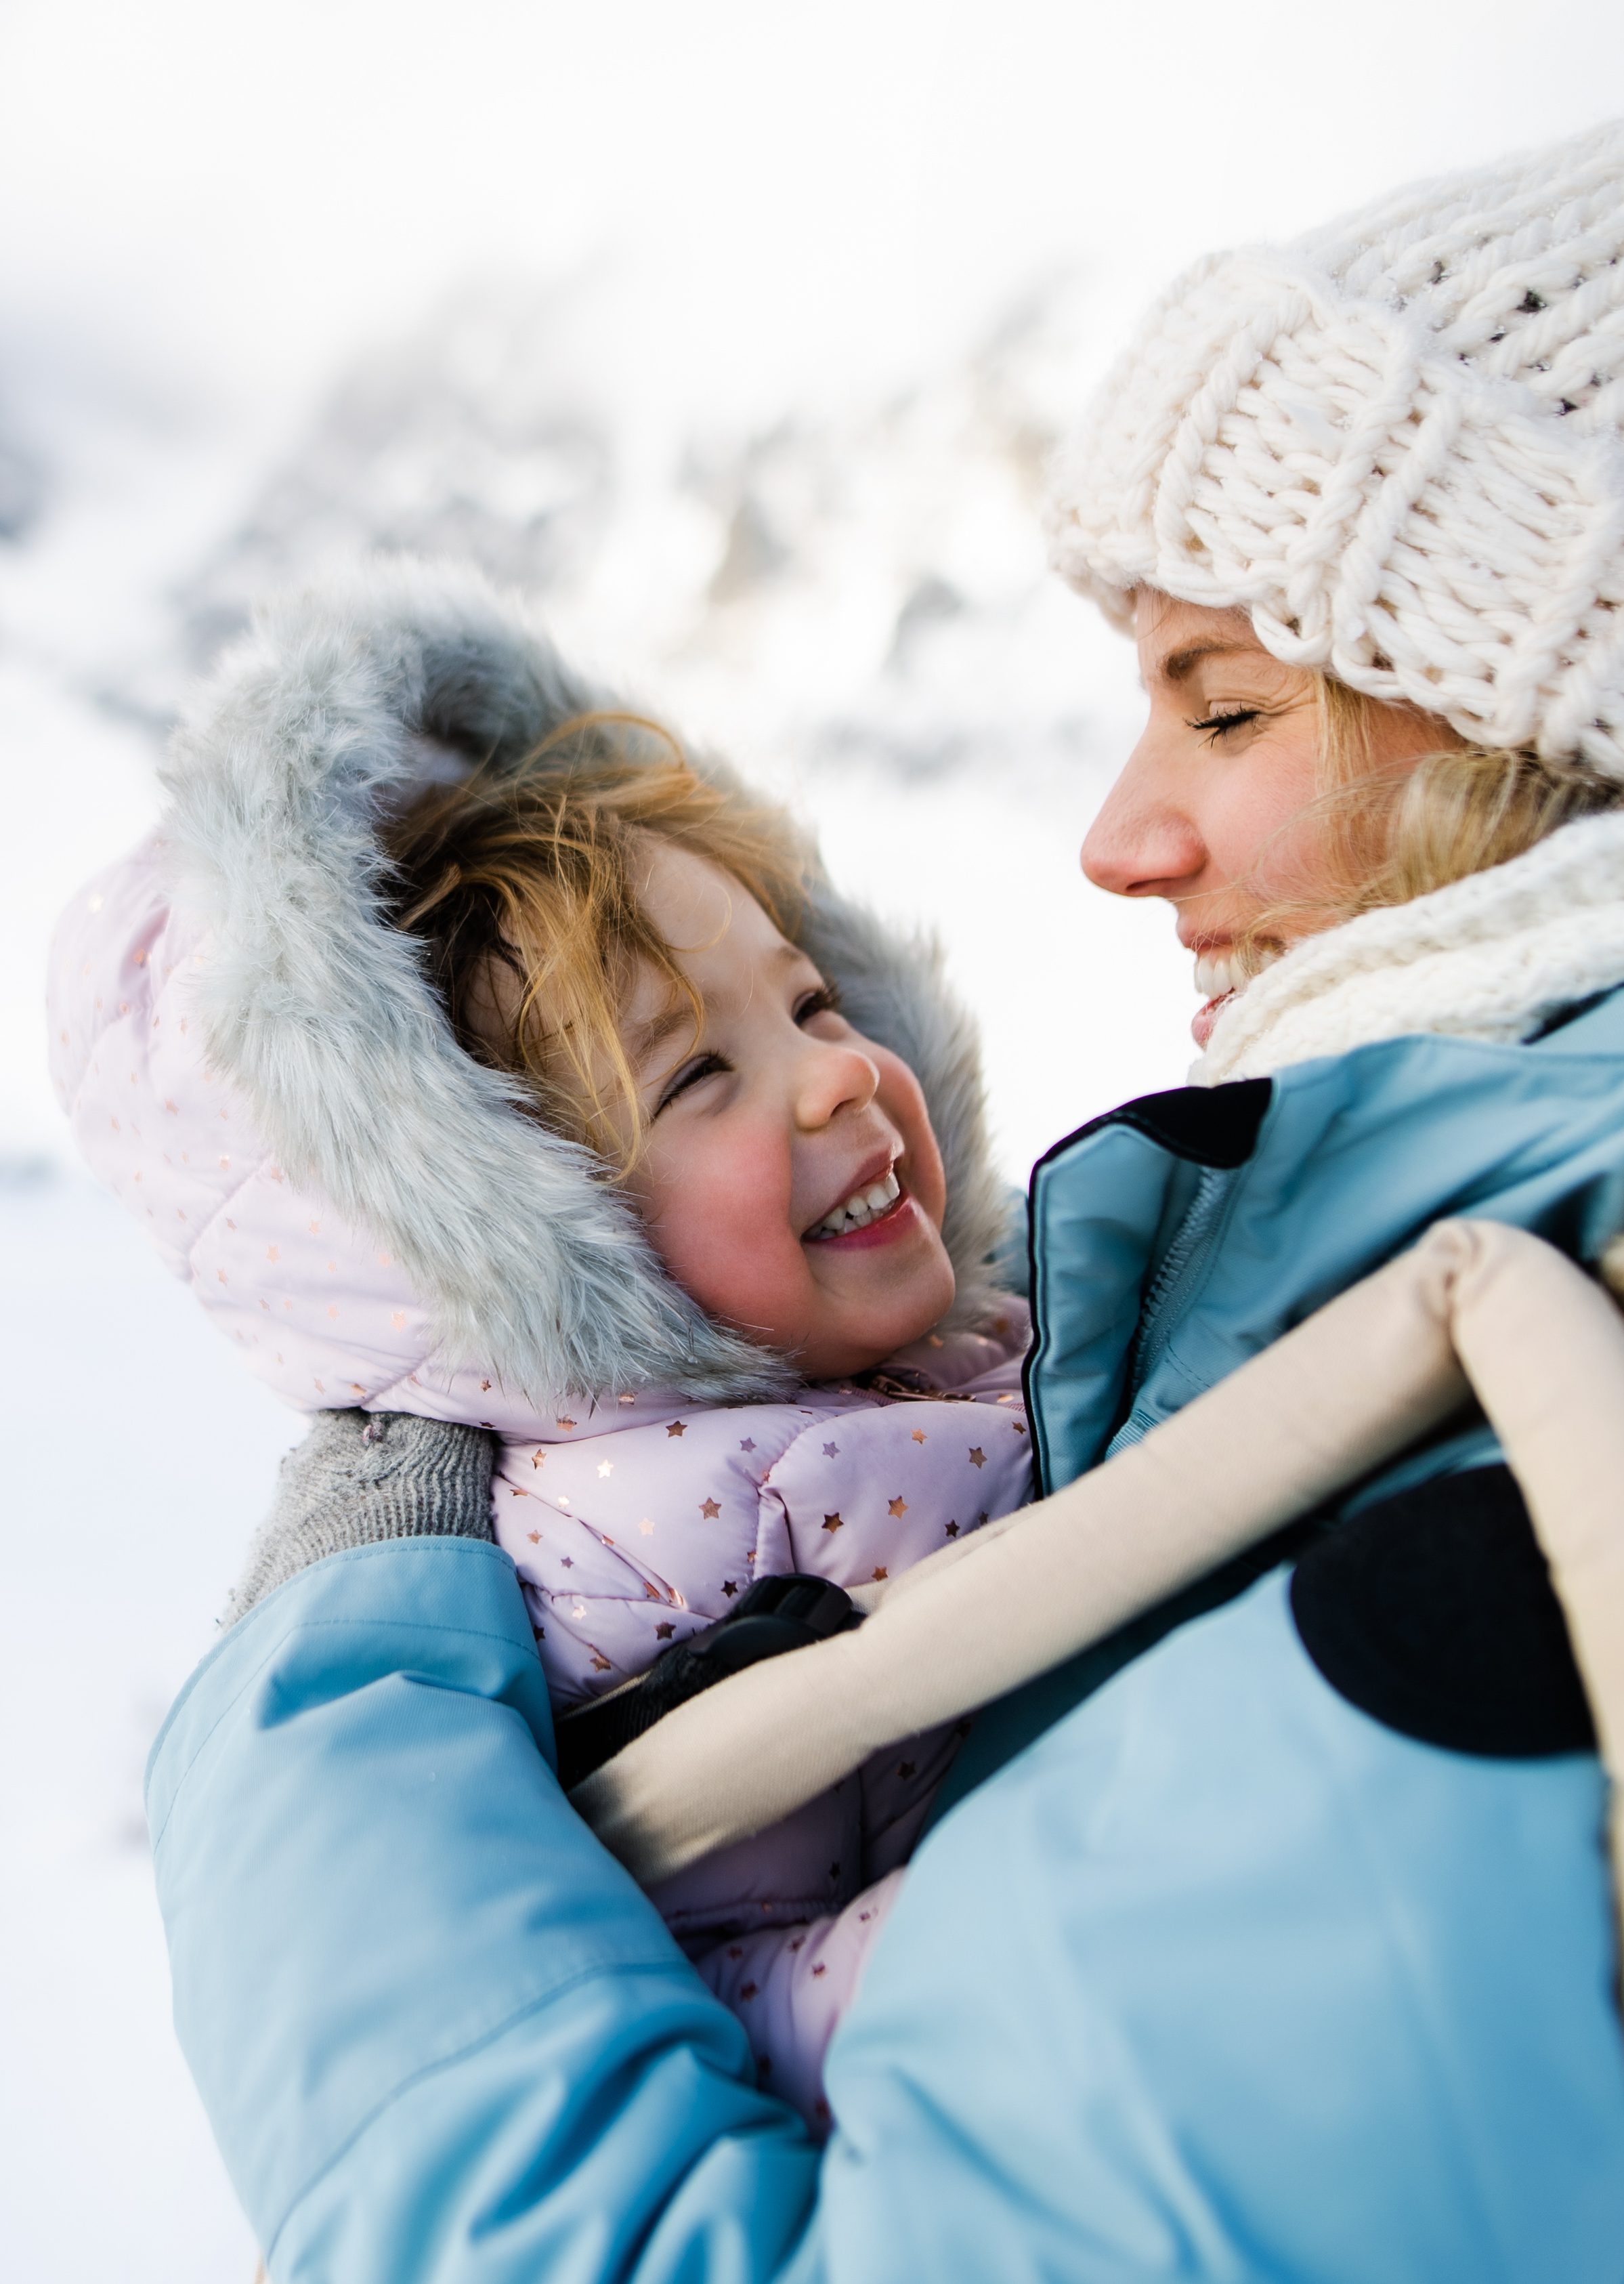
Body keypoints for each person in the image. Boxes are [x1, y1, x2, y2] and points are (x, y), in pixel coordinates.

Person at [104, 2, 1624, 2277]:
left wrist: (325, 1771)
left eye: (1225, 706)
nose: (1118, 838)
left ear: (1602, 733)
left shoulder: (1557, 1486)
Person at [54, 576, 1039, 2129]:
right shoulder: (627, 1556)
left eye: (810, 999)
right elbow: (706, 1968)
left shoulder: (966, 1338)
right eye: (700, 1073)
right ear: (533, 1225)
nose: (835, 1078)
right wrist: (983, 1931)